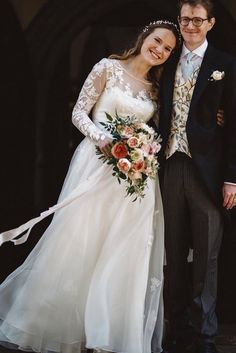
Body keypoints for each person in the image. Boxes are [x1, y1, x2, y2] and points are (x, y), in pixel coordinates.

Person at [0, 21, 180, 353]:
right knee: (80, 242)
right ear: (144, 37)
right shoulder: (107, 68)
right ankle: (65, 325)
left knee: (124, 251)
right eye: (158, 41)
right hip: (95, 164)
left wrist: (144, 148)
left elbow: (165, 127)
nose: (160, 50)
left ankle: (109, 333)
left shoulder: (156, 88)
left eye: (168, 49)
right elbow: (79, 113)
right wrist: (105, 139)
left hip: (136, 180)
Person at [158, 1, 236, 353]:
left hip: (209, 170)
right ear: (179, 21)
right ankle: (176, 328)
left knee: (207, 255)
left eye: (197, 20)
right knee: (173, 253)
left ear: (211, 23)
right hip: (170, 164)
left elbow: (234, 125)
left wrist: (233, 178)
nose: (190, 25)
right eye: (185, 19)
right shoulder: (166, 60)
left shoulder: (226, 65)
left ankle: (204, 333)